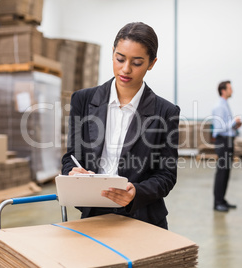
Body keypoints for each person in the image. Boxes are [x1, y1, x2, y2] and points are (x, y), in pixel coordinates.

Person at [61, 22, 180, 229]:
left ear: (152, 63)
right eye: (120, 59)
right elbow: (71, 157)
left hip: (143, 217)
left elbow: (166, 175)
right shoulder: (82, 100)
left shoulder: (166, 112)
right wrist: (73, 171)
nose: (126, 69)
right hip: (94, 213)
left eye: (137, 62)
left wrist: (137, 193)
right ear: (113, 54)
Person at [212, 81, 242, 212]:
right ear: (223, 90)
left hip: (228, 140)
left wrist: (235, 126)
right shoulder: (219, 106)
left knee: (226, 172)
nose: (232, 91)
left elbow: (226, 125)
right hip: (223, 141)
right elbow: (218, 128)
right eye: (230, 88)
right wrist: (232, 123)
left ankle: (222, 200)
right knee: (222, 173)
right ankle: (217, 202)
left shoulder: (225, 105)